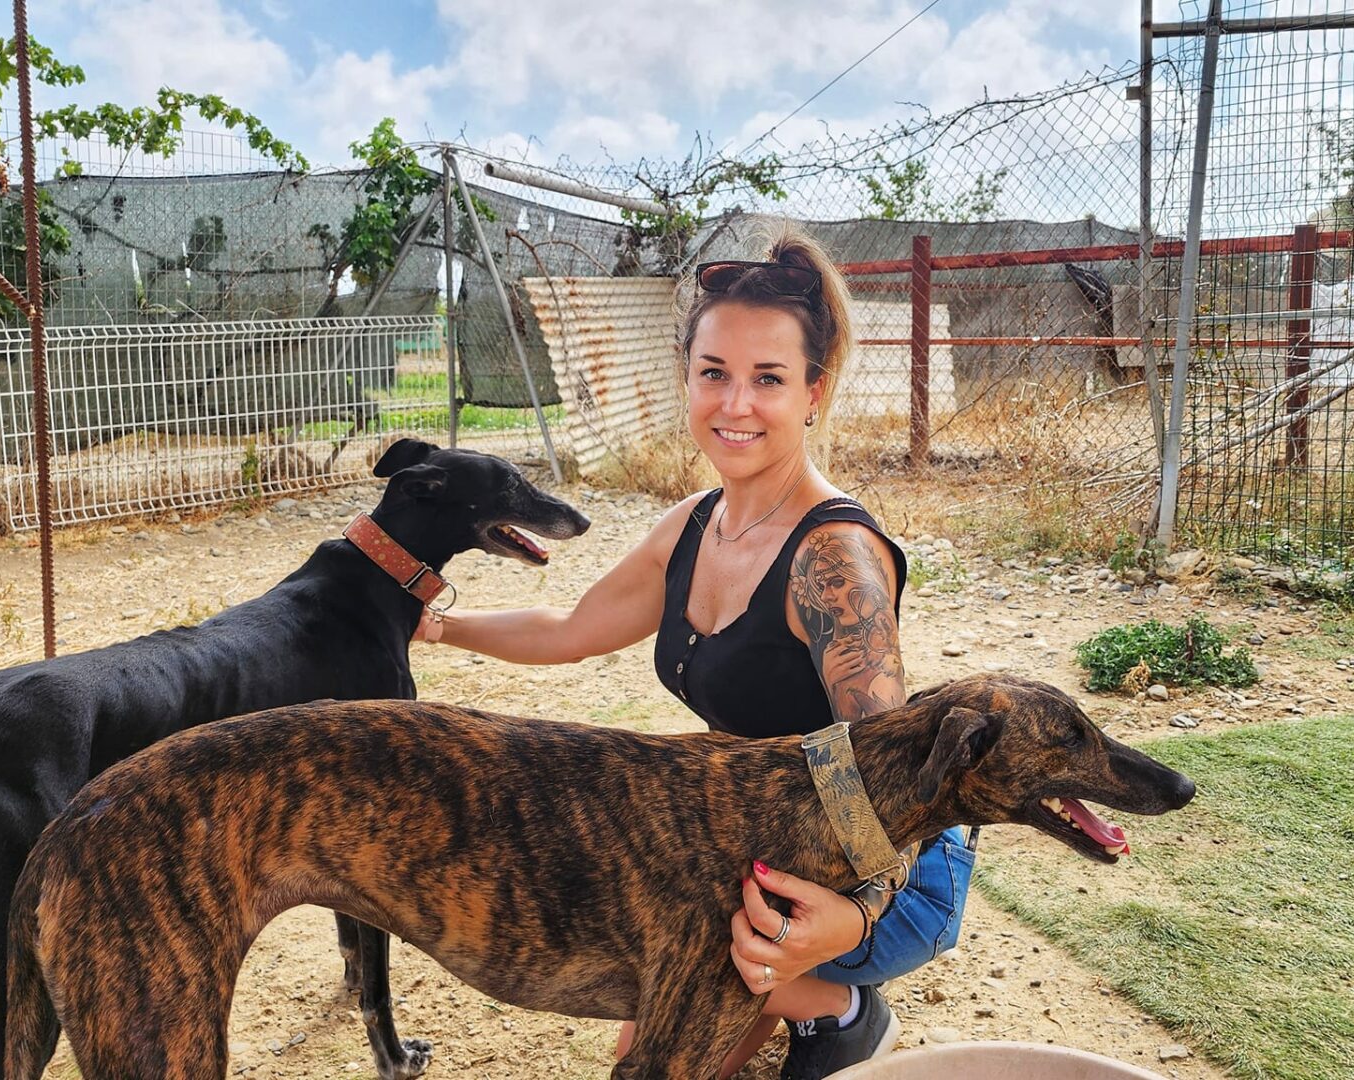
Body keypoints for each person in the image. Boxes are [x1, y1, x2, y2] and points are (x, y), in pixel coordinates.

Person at [414, 222, 975, 1079]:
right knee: (637, 1020)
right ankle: (787, 991)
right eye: (714, 374)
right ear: (688, 378)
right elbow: (570, 629)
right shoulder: (692, 525)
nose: (735, 404)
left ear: (814, 393)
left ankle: (841, 1006)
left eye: (768, 380)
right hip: (763, 838)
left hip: (885, 872)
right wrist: (440, 627)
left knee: (664, 1041)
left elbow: (894, 773)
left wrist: (852, 920)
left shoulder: (836, 559)